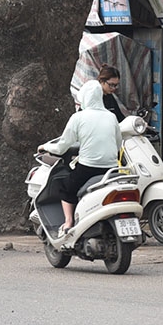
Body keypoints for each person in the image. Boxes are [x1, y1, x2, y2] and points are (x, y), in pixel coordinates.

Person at [40, 79, 120, 236]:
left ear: (84, 98)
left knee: (66, 189)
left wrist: (44, 147)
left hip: (88, 168)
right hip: (111, 168)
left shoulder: (78, 118)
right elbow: (118, 145)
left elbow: (62, 146)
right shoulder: (111, 117)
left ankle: (68, 222)